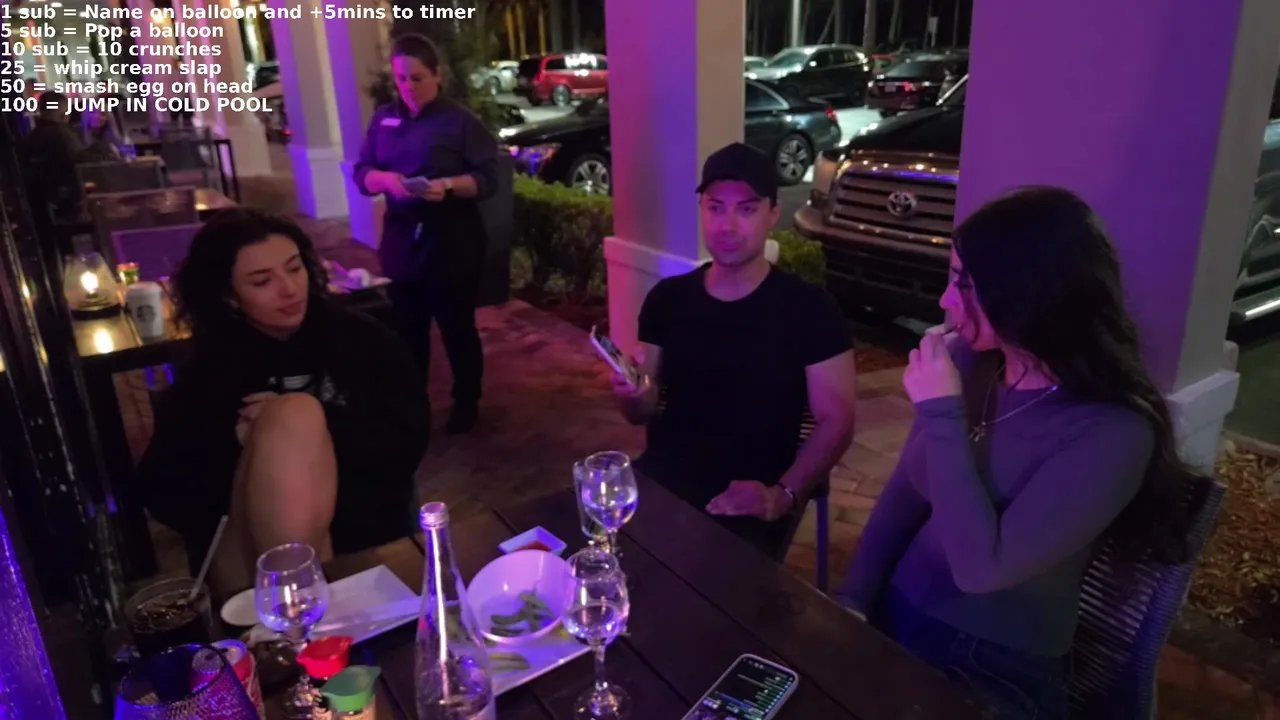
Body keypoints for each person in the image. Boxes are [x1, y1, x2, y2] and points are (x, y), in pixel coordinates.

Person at [835, 187, 1205, 719]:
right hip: (894, 615)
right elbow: (904, 496)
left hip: (989, 663)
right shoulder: (972, 363)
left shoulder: (1113, 431)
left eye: (965, 284)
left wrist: (942, 414)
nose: (946, 301)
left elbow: (981, 570)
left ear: (1030, 291)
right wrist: (853, 598)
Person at [135, 209, 430, 598]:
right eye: (262, 281)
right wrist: (249, 445)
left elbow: (408, 441)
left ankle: (297, 608)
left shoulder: (364, 339)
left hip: (364, 529)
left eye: (294, 269)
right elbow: (163, 492)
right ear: (229, 296)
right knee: (292, 419)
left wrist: (315, 432)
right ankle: (303, 605)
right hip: (249, 556)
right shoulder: (210, 366)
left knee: (297, 415)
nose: (289, 289)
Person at [610, 142, 857, 558]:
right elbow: (642, 411)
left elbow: (838, 421)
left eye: (746, 209)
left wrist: (782, 495)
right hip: (663, 478)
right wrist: (632, 393)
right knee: (593, 562)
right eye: (715, 208)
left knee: (707, 587)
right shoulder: (668, 299)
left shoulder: (810, 309)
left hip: (753, 494)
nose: (727, 225)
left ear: (772, 214)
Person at [353, 33, 499, 435]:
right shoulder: (384, 118)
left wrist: (448, 185)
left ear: (437, 75)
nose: (408, 87)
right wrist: (386, 180)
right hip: (403, 240)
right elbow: (362, 174)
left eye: (416, 78)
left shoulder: (459, 121)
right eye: (401, 79)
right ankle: (413, 401)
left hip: (451, 239)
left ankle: (466, 400)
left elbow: (489, 179)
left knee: (456, 327)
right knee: (407, 328)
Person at [21, 91, 84, 224]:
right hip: (70, 207)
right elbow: (81, 164)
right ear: (63, 113)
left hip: (41, 209)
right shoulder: (63, 136)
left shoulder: (31, 137)